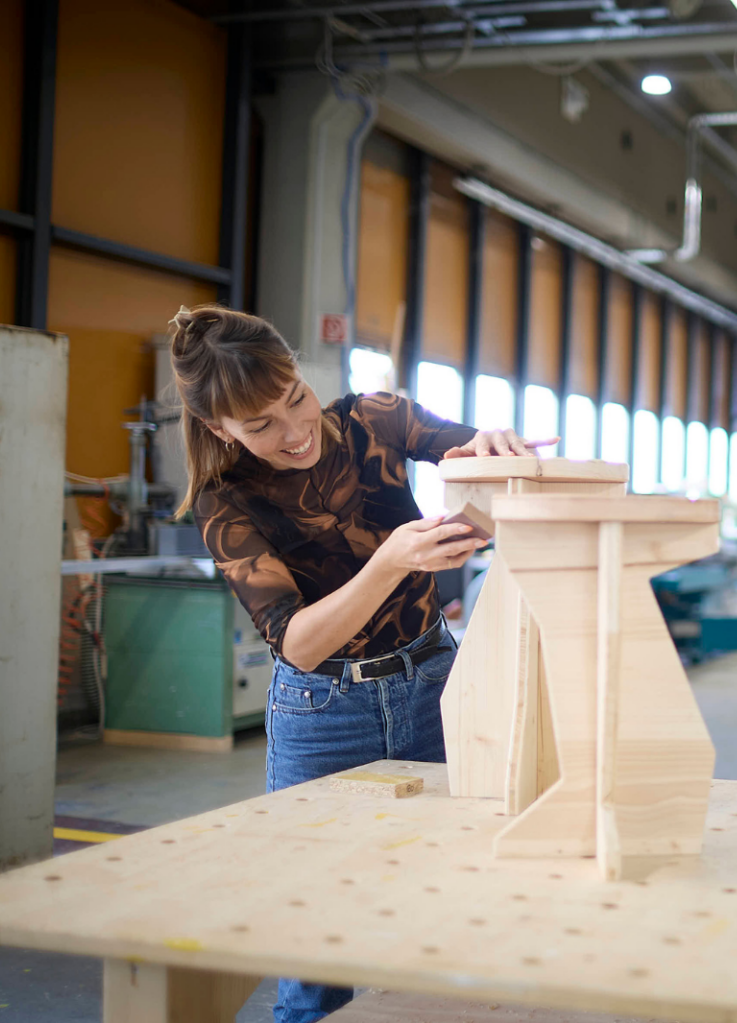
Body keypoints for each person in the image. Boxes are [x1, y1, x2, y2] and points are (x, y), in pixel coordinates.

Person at [168, 304, 549, 1023]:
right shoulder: (226, 503)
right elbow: (298, 643)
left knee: (439, 914)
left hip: (436, 686)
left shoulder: (377, 417)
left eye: (296, 399)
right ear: (220, 429)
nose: (295, 431)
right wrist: (389, 561)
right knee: (315, 950)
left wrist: (494, 448)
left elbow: (470, 455)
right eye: (262, 426)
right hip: (324, 714)